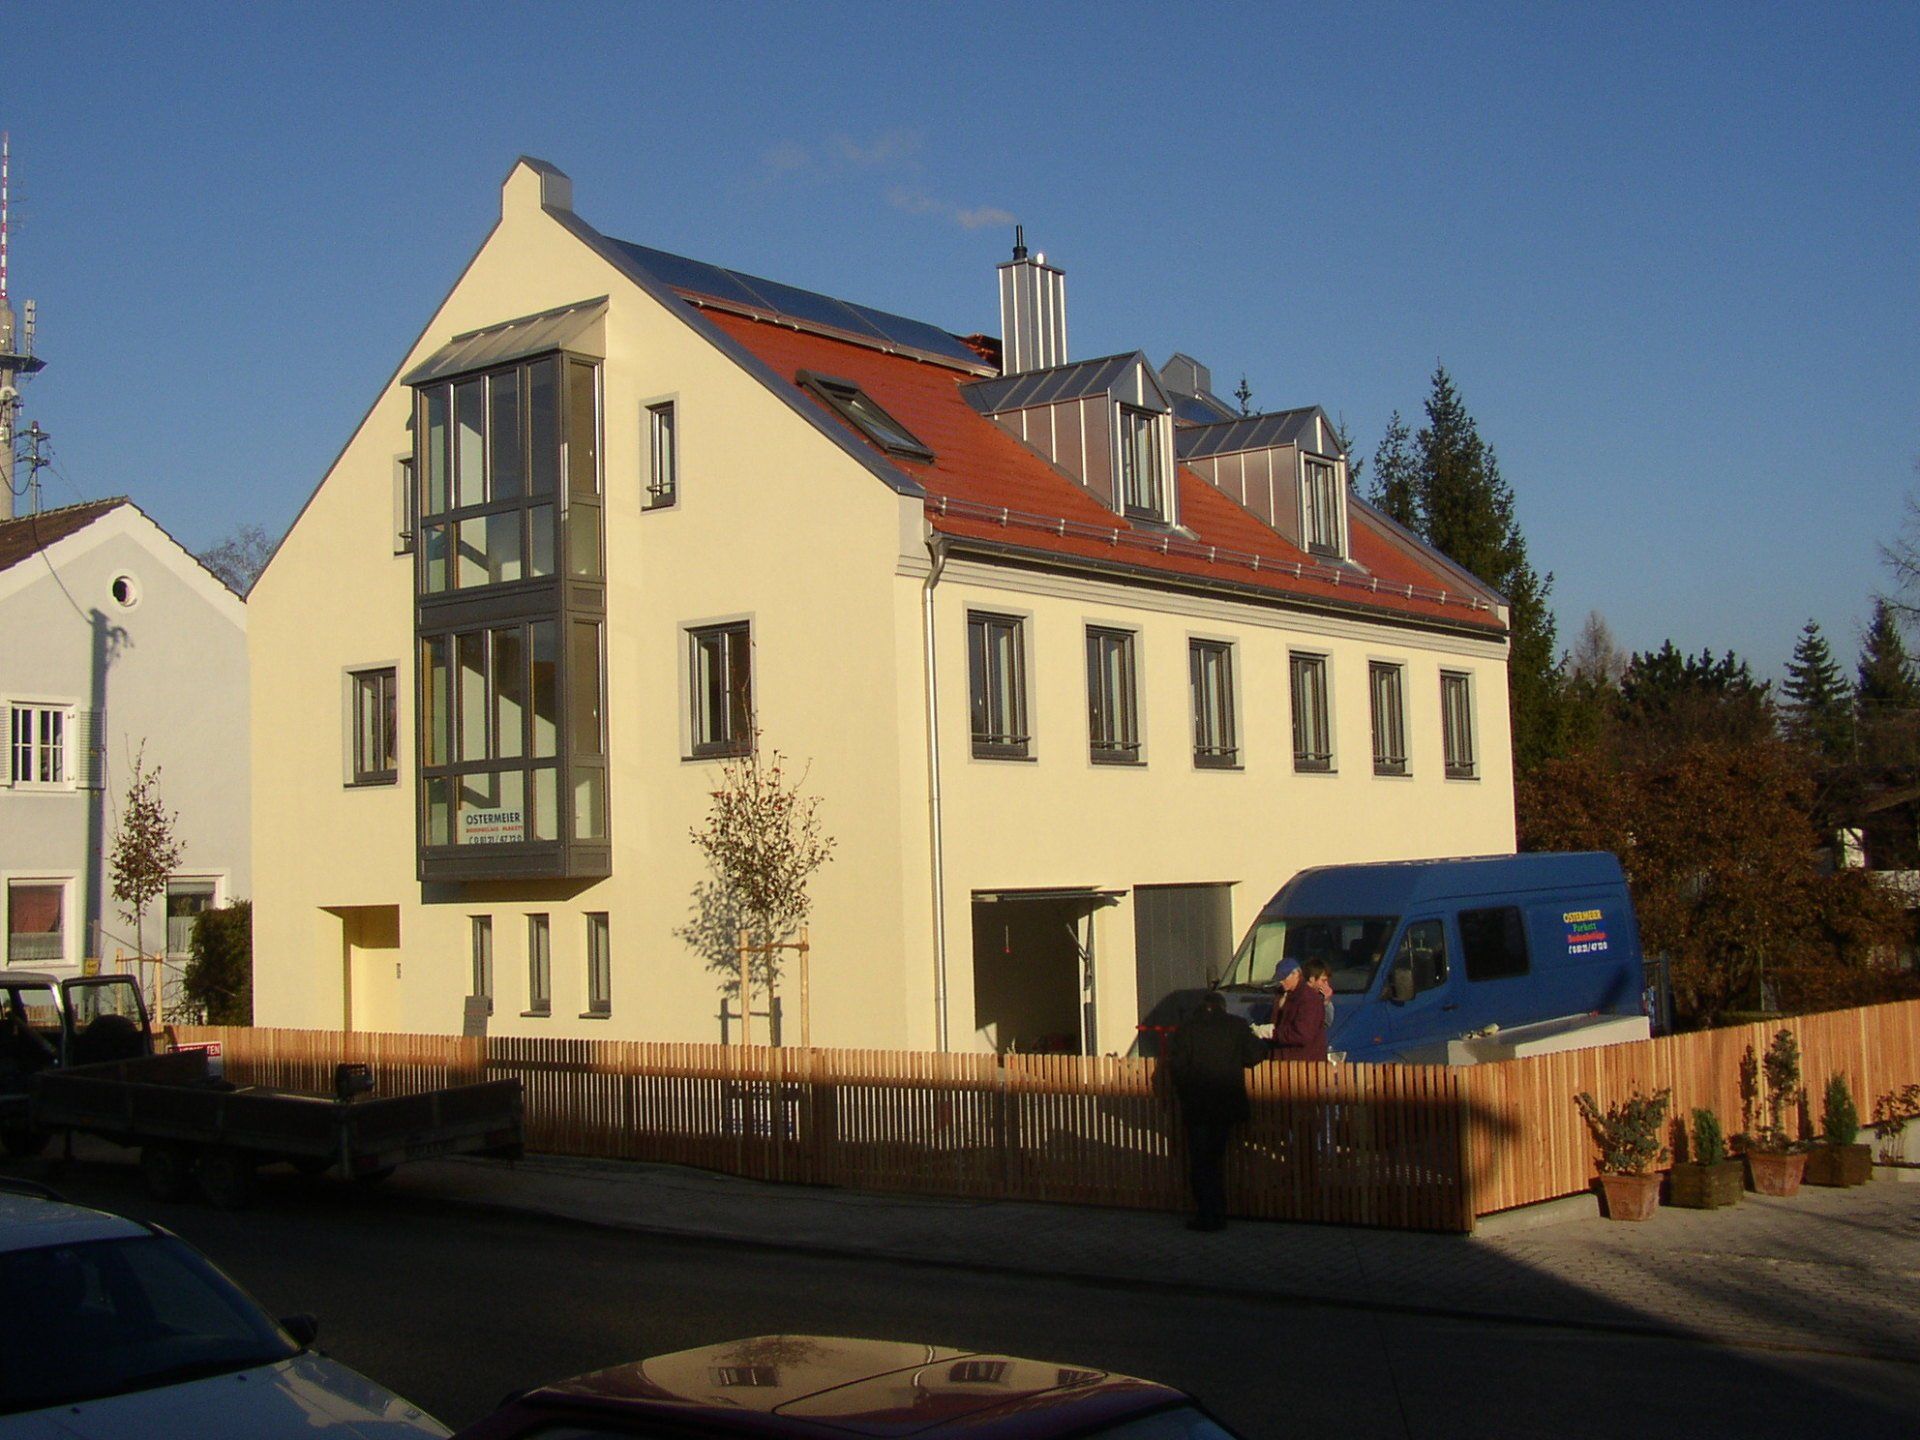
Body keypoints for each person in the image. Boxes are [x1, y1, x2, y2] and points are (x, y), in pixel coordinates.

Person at [1166, 989, 1266, 1232]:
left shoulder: (1186, 1029)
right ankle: (1219, 1213)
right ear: (1223, 1007)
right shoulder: (1237, 1026)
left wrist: (1185, 1095)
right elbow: (1255, 1055)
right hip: (1226, 1106)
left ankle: (1206, 1214)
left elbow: (1177, 1068)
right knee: (1217, 1159)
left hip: (1198, 1107)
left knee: (1201, 1162)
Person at [1272, 958, 1331, 1062]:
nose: (1281, 981)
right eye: (1279, 978)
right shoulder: (1283, 995)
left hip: (1305, 1064)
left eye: (1284, 977)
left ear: (1296, 974)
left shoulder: (1308, 998)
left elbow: (1302, 1035)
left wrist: (1273, 1033)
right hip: (1287, 1061)